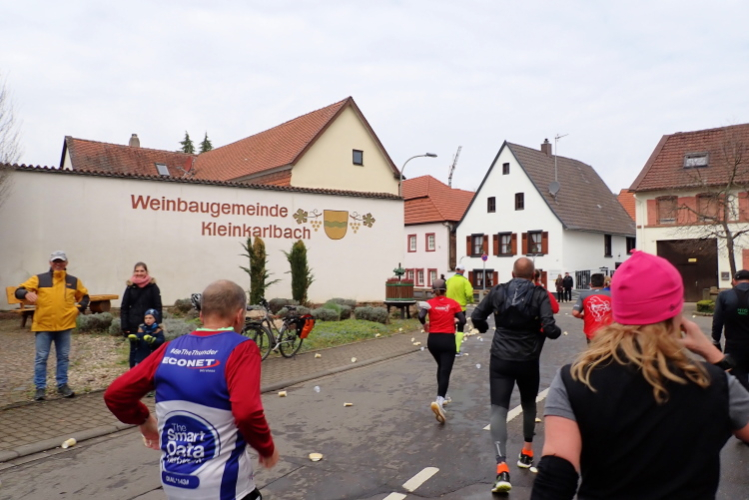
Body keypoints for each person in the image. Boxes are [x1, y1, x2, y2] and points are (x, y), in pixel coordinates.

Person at [532, 251, 749, 500]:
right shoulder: (714, 383)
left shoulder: (574, 380)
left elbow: (554, 479)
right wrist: (714, 356)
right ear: (677, 314)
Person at [104, 280, 278, 500]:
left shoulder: (169, 349)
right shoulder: (242, 348)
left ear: (202, 315)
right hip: (224, 487)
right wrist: (266, 448)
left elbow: (115, 395)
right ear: (239, 315)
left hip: (174, 482)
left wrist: (144, 420)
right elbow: (247, 412)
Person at [471, 257, 562, 493]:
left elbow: (477, 316)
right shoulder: (539, 294)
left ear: (512, 274)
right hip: (527, 359)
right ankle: (527, 453)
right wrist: (555, 331)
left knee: (498, 409)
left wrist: (484, 328)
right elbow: (549, 327)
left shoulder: (498, 291)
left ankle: (502, 467)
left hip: (500, 358)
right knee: (529, 404)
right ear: (533, 275)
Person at [15, 251, 89, 401]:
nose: (58, 264)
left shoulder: (74, 281)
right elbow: (18, 291)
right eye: (55, 261)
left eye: (61, 261)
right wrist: (25, 294)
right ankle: (40, 388)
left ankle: (62, 385)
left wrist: (77, 309)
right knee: (41, 358)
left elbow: (84, 297)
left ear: (66, 263)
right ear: (50, 263)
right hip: (43, 325)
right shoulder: (39, 279)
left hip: (65, 325)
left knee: (63, 357)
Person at [418, 279, 465, 424]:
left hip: (433, 341)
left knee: (441, 366)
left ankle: (442, 397)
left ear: (433, 290)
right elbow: (463, 320)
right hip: (447, 340)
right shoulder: (453, 303)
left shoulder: (428, 303)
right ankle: (439, 401)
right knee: (445, 370)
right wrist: (455, 321)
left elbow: (421, 316)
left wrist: (425, 324)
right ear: (446, 290)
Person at [712, 269, 749, 391]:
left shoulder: (724, 296)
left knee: (736, 379)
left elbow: (717, 321)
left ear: (734, 281)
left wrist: (716, 340)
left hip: (733, 346)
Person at [120, 262, 162, 368]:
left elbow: (158, 306)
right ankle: (133, 372)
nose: (139, 273)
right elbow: (124, 307)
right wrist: (125, 326)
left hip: (149, 324)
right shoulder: (130, 287)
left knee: (149, 350)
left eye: (142, 271)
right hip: (133, 324)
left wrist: (158, 324)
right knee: (134, 350)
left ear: (146, 272)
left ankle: (149, 372)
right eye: (137, 271)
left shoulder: (152, 287)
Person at [572, 273, 612, 343]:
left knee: (592, 348)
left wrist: (583, 317)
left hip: (591, 331)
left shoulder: (584, 295)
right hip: (608, 330)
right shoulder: (612, 294)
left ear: (590, 284)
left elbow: (575, 313)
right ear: (604, 284)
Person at [446, 263, 474, 356]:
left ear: (455, 270)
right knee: (460, 328)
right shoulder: (465, 281)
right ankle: (456, 350)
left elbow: (444, 292)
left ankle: (449, 348)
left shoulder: (449, 280)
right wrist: (471, 300)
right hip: (460, 308)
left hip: (449, 308)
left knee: (451, 328)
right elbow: (469, 294)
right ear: (463, 271)